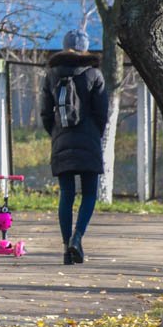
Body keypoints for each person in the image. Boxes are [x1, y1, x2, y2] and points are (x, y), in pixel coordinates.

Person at [40, 29, 108, 265]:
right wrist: (93, 134)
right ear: (85, 48)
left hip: (62, 138)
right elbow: (102, 113)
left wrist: (57, 133)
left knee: (66, 194)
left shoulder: (51, 75)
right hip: (89, 138)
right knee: (89, 193)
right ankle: (77, 239)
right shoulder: (94, 75)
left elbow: (45, 114)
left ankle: (65, 248)